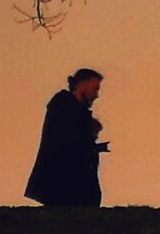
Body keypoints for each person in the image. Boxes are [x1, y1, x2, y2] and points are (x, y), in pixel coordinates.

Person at [26, 67, 108, 206]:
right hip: (64, 184)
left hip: (71, 185)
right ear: (82, 84)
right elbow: (66, 142)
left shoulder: (69, 109)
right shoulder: (63, 106)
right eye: (95, 89)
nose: (96, 95)